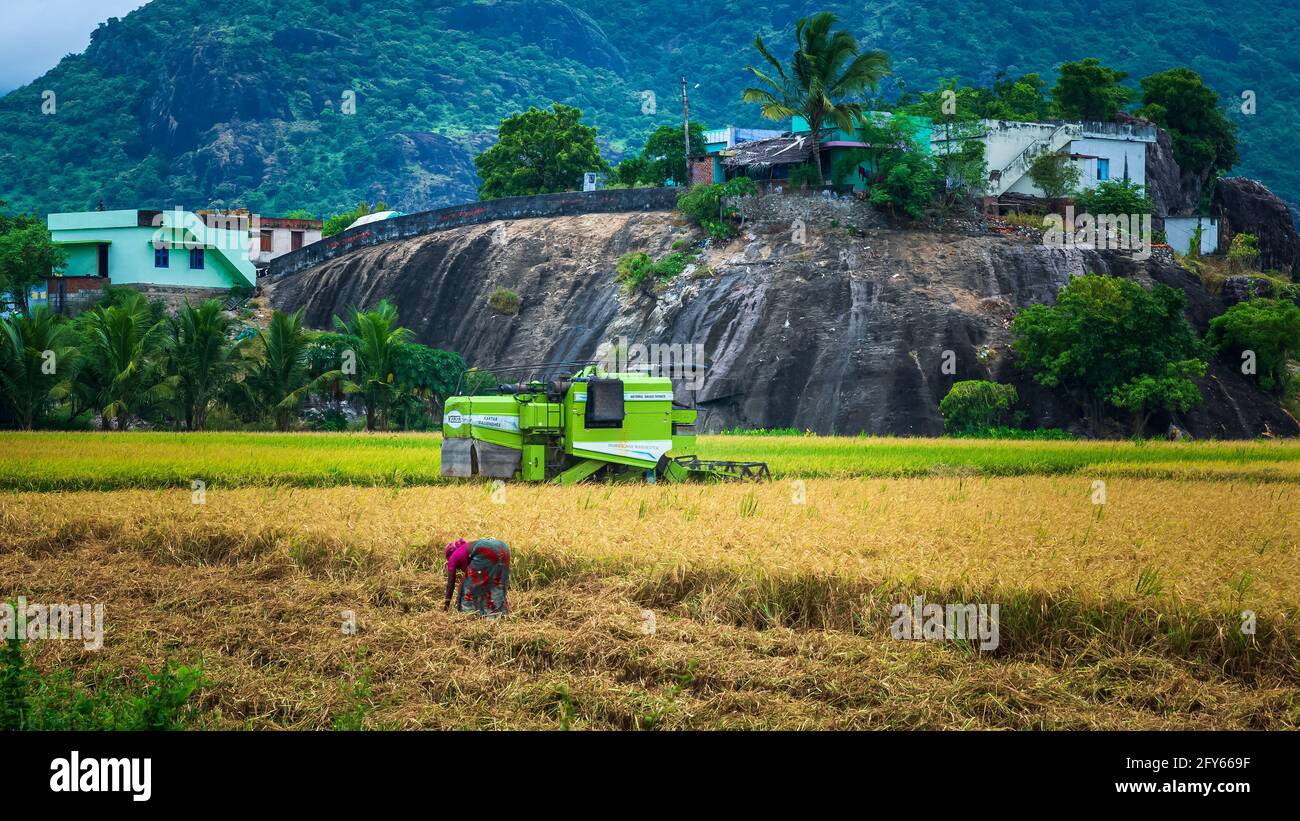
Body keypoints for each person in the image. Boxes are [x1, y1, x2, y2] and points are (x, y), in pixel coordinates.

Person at [444, 537, 511, 617]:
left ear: (449, 555)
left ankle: (467, 613)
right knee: (494, 582)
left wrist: (446, 607)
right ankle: (500, 612)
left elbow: (450, 585)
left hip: (486, 548)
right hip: (503, 547)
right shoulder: (467, 552)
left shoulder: (453, 558)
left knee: (467, 586)